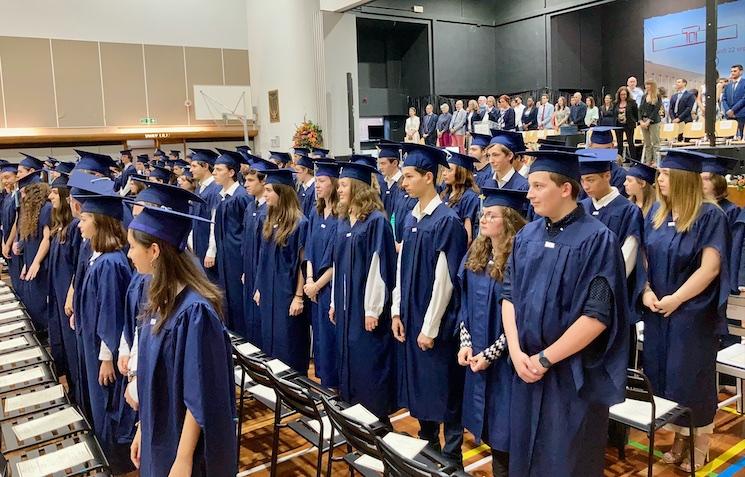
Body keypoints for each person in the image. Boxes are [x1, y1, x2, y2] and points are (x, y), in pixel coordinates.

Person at [502, 149, 628, 476]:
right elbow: (508, 296)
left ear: (565, 189)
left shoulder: (597, 240)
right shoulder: (526, 236)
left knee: (566, 462)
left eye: (538, 185)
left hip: (570, 378)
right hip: (525, 370)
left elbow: (597, 315)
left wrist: (545, 359)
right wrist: (516, 353)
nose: (529, 194)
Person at [127, 204, 236, 476]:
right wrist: (143, 427)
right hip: (158, 433)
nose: (129, 254)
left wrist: (184, 459)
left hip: (180, 443)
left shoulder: (195, 313)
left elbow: (199, 394)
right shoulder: (159, 300)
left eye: (132, 246)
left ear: (154, 251)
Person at [641, 149, 730, 472]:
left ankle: (700, 443)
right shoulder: (658, 213)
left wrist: (677, 299)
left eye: (665, 174)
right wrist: (646, 290)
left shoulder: (710, 215)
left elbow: (709, 268)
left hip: (692, 313)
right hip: (658, 310)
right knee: (665, 377)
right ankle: (679, 440)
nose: (659, 179)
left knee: (691, 377)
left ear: (682, 178)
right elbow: (645, 259)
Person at [392, 143, 468, 466]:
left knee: (444, 390)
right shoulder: (412, 218)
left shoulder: (446, 221)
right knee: (421, 389)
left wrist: (430, 326)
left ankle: (451, 458)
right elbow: (400, 267)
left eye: (409, 176)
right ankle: (426, 451)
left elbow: (445, 280)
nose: (403, 183)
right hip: (411, 317)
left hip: (435, 326)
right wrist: (396, 310)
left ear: (427, 177)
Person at [458, 188, 527, 477]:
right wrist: (465, 342)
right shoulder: (477, 255)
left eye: (491, 215)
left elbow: (520, 318)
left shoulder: (520, 261)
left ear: (508, 221)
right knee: (487, 430)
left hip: (506, 366)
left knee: (505, 436)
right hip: (477, 358)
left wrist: (491, 353)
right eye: (483, 214)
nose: (483, 219)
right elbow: (464, 303)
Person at [74, 190, 136, 473]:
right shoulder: (98, 257)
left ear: (99, 222)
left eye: (85, 218)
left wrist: (107, 357)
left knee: (107, 404)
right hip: (93, 343)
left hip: (104, 348)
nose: (80, 224)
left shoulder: (111, 262)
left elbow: (112, 314)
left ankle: (115, 461)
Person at [331, 161, 397, 419]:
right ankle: (352, 416)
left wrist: (372, 309)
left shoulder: (376, 222)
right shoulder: (344, 221)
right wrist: (335, 302)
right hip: (346, 306)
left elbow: (378, 268)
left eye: (344, 185)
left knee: (367, 363)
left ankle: (374, 419)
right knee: (349, 360)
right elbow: (338, 264)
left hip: (365, 308)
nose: (340, 189)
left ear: (358, 187)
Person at [254, 168, 311, 374]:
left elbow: (302, 263)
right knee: (271, 341)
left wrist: (298, 296)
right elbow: (263, 256)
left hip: (287, 293)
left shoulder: (300, 223)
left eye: (269, 190)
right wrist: (260, 287)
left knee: (289, 343)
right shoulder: (269, 220)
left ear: (282, 192)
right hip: (269, 292)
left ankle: (295, 390)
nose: (265, 194)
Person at [303, 162, 339, 387]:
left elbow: (338, 259)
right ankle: (325, 383)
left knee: (331, 335)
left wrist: (317, 285)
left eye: (322, 181)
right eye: (316, 181)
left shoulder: (341, 216)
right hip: (313, 286)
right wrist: (308, 280)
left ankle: (335, 386)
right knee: (320, 338)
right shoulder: (315, 213)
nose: (317, 185)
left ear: (333, 184)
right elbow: (308, 250)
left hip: (330, 288)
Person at [47, 172, 82, 401]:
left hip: (68, 297)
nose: (50, 196)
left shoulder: (75, 229)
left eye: (53, 192)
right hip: (59, 293)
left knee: (72, 346)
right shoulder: (61, 227)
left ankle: (78, 393)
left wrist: (70, 294)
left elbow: (78, 266)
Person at [240, 156, 276, 346]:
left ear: (264, 182)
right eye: (245, 180)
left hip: (263, 273)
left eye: (251, 180)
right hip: (250, 270)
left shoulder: (269, 211)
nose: (246, 184)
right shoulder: (250, 207)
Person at [213, 150, 251, 331]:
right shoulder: (222, 196)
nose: (214, 172)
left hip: (238, 259)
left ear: (231, 172)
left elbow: (247, 230)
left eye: (219, 169)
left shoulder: (241, 197)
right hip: (225, 258)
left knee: (238, 301)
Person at [16, 172, 52, 329]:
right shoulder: (30, 212)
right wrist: (27, 263)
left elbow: (46, 238)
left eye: (24, 192)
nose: (22, 197)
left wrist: (36, 262)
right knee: (31, 301)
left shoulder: (46, 208)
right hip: (31, 261)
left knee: (40, 303)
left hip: (42, 263)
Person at [188, 149, 221, 283]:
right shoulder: (200, 188)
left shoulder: (215, 189)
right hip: (199, 243)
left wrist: (211, 251)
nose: (190, 170)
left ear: (206, 166)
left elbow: (214, 221)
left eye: (194, 166)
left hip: (208, 246)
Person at [442, 152, 480, 245]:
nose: (444, 173)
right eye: (444, 170)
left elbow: (468, 237)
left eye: (449, 170)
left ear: (461, 172)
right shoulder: (445, 194)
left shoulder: (469, 197)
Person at [586, 127, 628, 197]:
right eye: (598, 149)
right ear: (590, 147)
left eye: (607, 149)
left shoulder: (620, 175)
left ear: (612, 147)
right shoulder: (583, 173)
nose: (602, 154)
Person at [701, 155, 741, 227]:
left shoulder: (731, 210)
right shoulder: (695, 207)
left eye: (706, 179)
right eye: (699, 179)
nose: (701, 182)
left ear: (718, 182)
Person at [0, 164, 20, 291]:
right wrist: (3, 243)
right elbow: (3, 222)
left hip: (14, 244)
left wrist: (8, 244)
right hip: (7, 244)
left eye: (7, 178)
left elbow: (16, 222)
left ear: (16, 177)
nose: (4, 182)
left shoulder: (18, 197)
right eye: (2, 179)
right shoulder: (8, 197)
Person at [639, 79, 663, 165]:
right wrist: (640, 120)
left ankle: (656, 161)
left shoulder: (657, 96)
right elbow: (640, 109)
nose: (647, 86)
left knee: (655, 142)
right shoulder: (644, 96)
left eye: (649, 84)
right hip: (643, 121)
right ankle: (648, 161)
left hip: (654, 122)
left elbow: (656, 109)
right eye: (646, 84)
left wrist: (649, 120)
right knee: (647, 143)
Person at [377, 143, 404, 219]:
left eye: (383, 164)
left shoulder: (404, 184)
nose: (380, 167)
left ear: (395, 163)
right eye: (379, 164)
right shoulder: (382, 184)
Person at [615, 86, 639, 160]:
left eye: (624, 94)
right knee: (619, 143)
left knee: (630, 143)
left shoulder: (632, 102)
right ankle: (619, 160)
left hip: (629, 125)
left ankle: (633, 160)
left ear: (627, 94)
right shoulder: (616, 103)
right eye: (621, 94)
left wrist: (635, 121)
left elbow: (636, 114)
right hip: (618, 125)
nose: (623, 96)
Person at [722, 64, 745, 138]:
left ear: (741, 72)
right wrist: (728, 110)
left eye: (735, 71)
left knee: (740, 136)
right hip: (729, 115)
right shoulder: (728, 85)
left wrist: (733, 110)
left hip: (740, 114)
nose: (732, 73)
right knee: (728, 136)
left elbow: (744, 99)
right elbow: (724, 98)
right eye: (731, 71)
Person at [293, 152, 317, 217]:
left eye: (298, 170)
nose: (296, 174)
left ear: (306, 170)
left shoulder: (315, 188)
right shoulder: (302, 188)